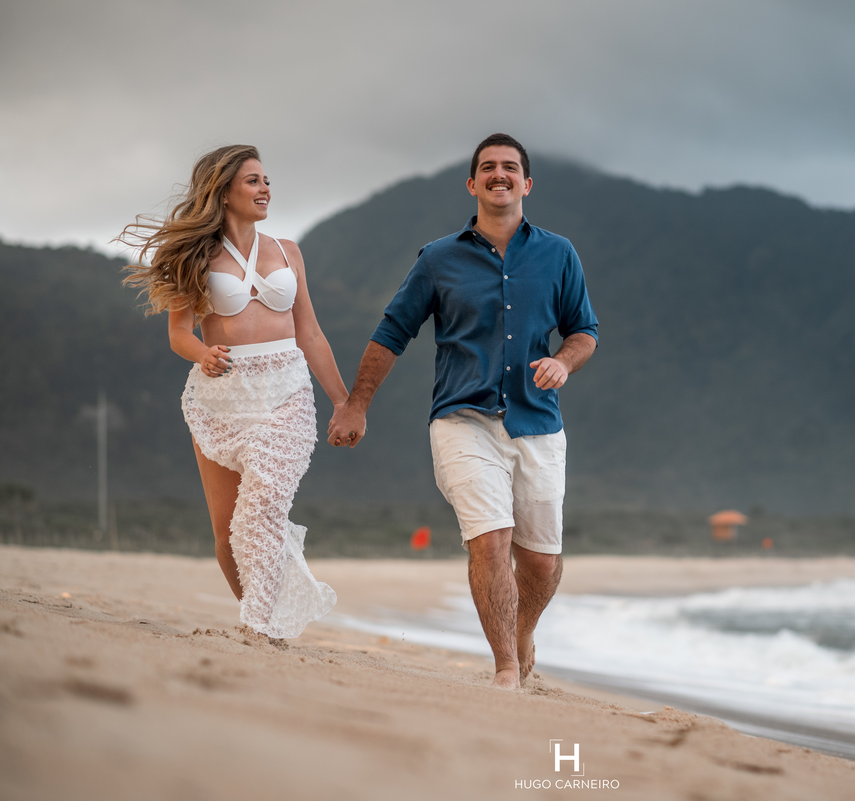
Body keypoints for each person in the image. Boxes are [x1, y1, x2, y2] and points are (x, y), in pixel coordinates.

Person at [328, 133, 599, 690]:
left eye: (510, 168)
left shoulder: (558, 253)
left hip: (538, 423)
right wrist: (356, 404)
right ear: (472, 183)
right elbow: (391, 332)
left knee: (542, 564)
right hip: (462, 420)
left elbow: (584, 331)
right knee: (490, 540)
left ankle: (522, 636)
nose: (499, 175)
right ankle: (505, 669)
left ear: (526, 183)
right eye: (487, 168)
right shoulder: (438, 258)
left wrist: (564, 364)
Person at [120, 145, 344, 640]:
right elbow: (179, 333)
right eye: (253, 181)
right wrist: (202, 353)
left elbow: (310, 334)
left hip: (287, 391)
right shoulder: (192, 257)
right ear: (223, 192)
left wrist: (345, 401)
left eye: (266, 180)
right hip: (221, 396)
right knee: (227, 531)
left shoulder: (289, 251)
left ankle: (256, 628)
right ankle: (262, 621)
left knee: (262, 503)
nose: (266, 188)